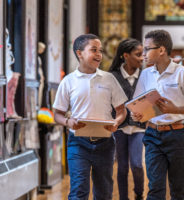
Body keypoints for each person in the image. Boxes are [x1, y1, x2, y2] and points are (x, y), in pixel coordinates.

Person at [52, 34, 128, 200]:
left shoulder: (109, 79)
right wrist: (68, 122)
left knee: (104, 192)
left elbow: (122, 110)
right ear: (80, 53)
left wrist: (117, 121)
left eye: (100, 50)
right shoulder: (68, 81)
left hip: (105, 144)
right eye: (94, 50)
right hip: (78, 143)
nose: (99, 54)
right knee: (78, 190)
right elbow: (57, 114)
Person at [132, 29, 184, 199]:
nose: (144, 54)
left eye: (148, 49)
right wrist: (137, 115)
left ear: (161, 50)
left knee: (178, 190)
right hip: (152, 135)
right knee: (155, 189)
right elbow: (139, 104)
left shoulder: (182, 72)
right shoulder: (146, 74)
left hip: (177, 135)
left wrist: (174, 109)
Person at [109, 38, 145, 200]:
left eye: (143, 54)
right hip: (119, 128)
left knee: (137, 164)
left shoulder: (146, 76)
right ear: (125, 55)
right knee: (122, 167)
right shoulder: (112, 76)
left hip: (140, 127)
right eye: (138, 55)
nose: (142, 58)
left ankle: (138, 193)